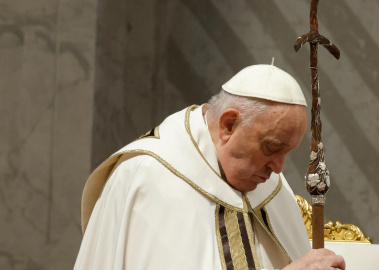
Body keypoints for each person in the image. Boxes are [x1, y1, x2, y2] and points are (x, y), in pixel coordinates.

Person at [74, 64, 345, 270]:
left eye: (287, 152)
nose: (278, 168)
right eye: (272, 148)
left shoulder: (270, 187)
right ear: (228, 125)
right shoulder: (149, 178)